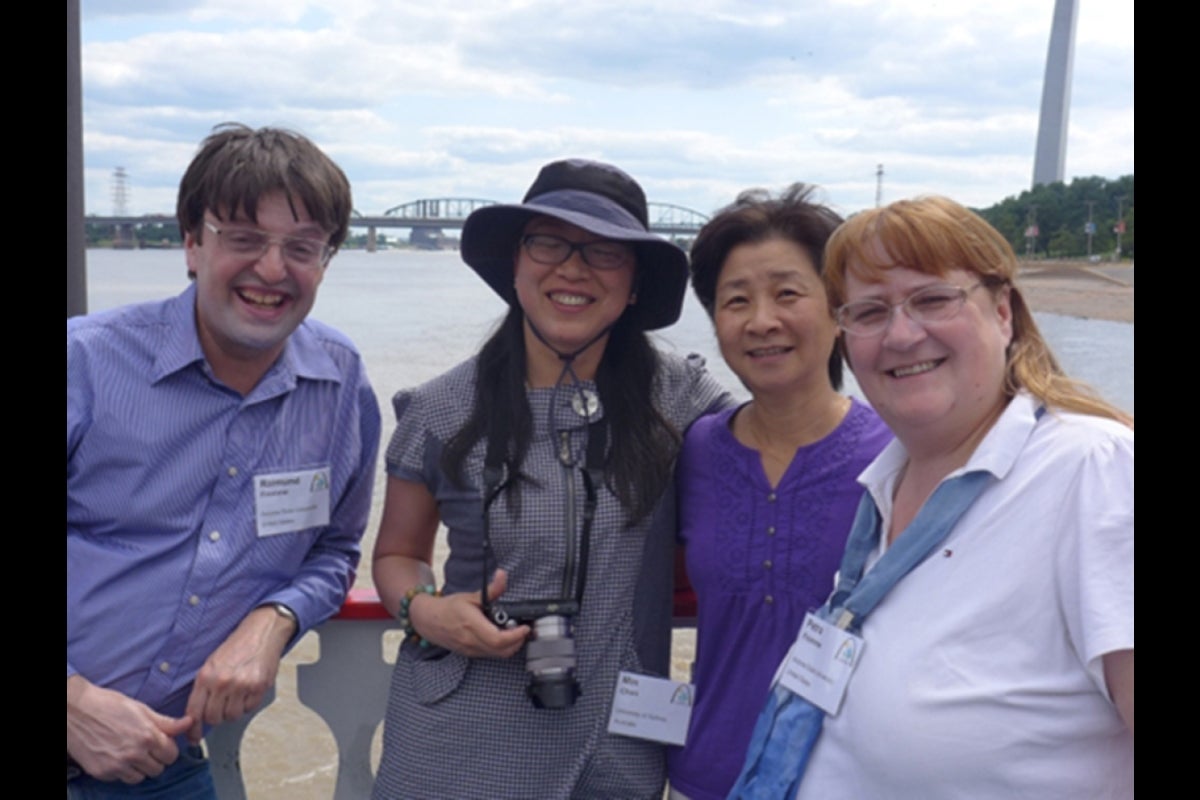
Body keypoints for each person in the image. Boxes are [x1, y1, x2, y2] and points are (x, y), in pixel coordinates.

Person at [733, 195, 1133, 799]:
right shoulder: (887, 483)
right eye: (868, 312)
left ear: (1002, 312)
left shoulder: (1091, 470)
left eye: (933, 299)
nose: (900, 334)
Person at [371, 158, 733, 799]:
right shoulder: (442, 408)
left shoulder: (678, 399)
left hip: (617, 739)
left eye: (603, 252)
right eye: (548, 243)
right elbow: (399, 553)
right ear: (514, 265)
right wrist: (425, 611)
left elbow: (784, 446)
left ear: (633, 286)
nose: (572, 268)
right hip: (455, 735)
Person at [67, 123, 381, 798]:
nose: (272, 270)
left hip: (161, 771)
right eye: (243, 239)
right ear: (191, 243)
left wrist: (275, 619)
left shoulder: (341, 383)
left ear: (325, 262)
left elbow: (335, 548)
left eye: (302, 247)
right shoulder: (85, 364)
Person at [665, 185, 891, 800]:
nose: (762, 320)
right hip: (706, 777)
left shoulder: (899, 455)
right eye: (735, 301)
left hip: (847, 782)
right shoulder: (695, 453)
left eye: (788, 294)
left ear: (837, 307)